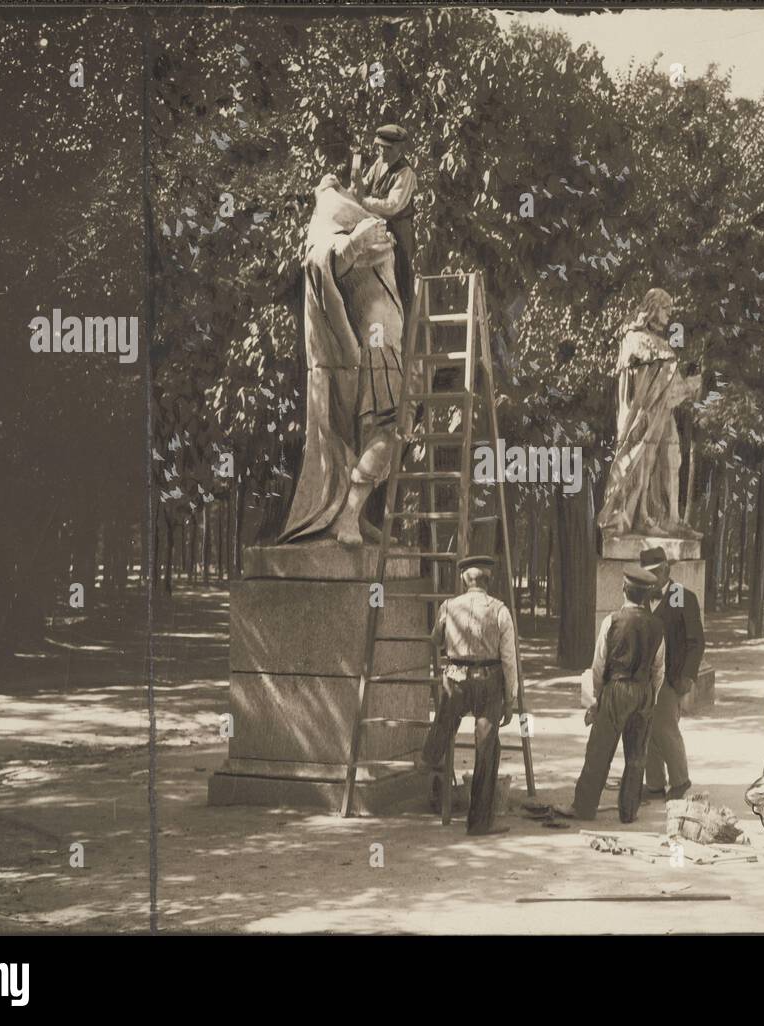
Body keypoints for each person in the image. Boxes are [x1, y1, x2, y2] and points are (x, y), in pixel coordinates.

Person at [279, 175, 411, 546]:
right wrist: (356, 241)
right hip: (376, 348)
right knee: (388, 429)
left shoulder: (364, 216)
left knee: (376, 433)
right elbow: (320, 260)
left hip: (387, 345)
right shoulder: (333, 212)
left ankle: (354, 514)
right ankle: (349, 516)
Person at [555, 567, 665, 823]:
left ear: (624, 590)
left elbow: (598, 665)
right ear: (646, 596)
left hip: (617, 689)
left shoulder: (612, 621)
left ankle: (584, 808)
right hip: (644, 690)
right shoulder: (657, 626)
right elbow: (659, 669)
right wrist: (651, 698)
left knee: (599, 750)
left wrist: (594, 700)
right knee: (637, 754)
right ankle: (629, 811)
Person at [420, 555, 519, 836]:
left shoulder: (449, 606)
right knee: (487, 750)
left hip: (456, 680)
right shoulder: (500, 611)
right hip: (489, 683)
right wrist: (510, 698)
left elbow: (435, 639)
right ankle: (478, 822)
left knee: (442, 731)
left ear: (465, 579)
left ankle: (428, 764)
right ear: (488, 580)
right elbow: (509, 659)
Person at [597, 289, 702, 537]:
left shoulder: (661, 343)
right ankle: (641, 516)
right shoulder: (635, 339)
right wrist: (683, 384)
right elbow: (642, 384)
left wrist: (688, 386)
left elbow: (670, 386)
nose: (669, 315)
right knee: (643, 464)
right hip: (644, 417)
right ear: (653, 309)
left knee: (672, 459)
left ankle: (671, 518)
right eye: (666, 309)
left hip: (663, 414)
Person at [639, 547, 704, 801]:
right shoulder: (640, 596)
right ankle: (654, 783)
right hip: (643, 678)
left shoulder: (681, 596)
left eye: (656, 572)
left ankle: (680, 780)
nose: (652, 578)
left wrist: (688, 675)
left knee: (666, 728)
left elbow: (696, 641)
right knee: (646, 729)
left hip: (670, 677)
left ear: (667, 569)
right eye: (647, 573)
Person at [352, 123, 418, 313]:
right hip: (378, 226)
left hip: (399, 230)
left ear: (399, 148)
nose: (382, 151)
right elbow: (363, 185)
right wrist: (354, 190)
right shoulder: (379, 164)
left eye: (387, 148)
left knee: (400, 279)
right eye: (380, 146)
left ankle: (405, 324)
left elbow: (392, 206)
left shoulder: (405, 173)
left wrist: (363, 201)